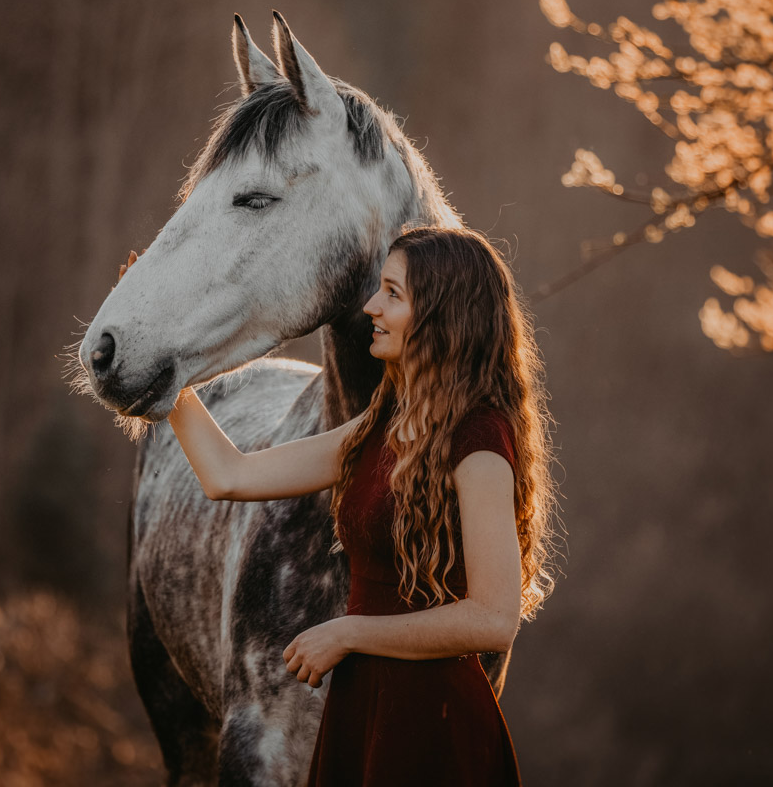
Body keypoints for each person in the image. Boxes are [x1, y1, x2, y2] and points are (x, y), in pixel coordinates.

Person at [149, 225, 559, 786]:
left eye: (393, 293)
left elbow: (493, 620)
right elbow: (230, 475)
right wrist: (162, 362)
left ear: (442, 313)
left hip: (430, 725)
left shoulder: (480, 442)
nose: (371, 306)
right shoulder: (382, 425)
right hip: (361, 707)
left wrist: (346, 633)